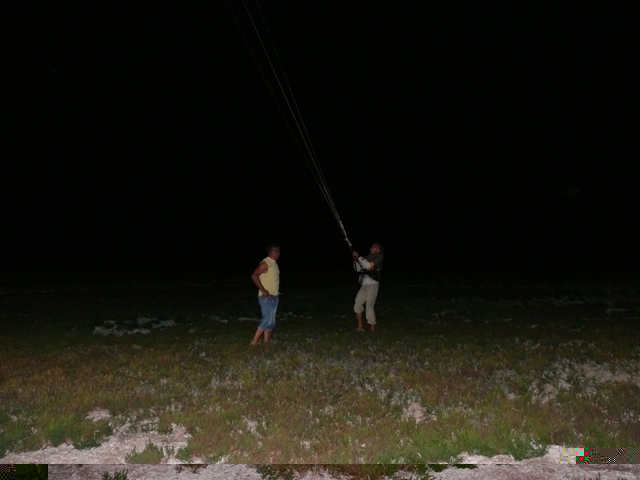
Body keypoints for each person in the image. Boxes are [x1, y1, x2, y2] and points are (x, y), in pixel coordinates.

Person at [250, 244, 281, 346]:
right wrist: (263, 290)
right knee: (267, 319)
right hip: (266, 297)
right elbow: (254, 276)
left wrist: (276, 291)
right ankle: (254, 341)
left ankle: (267, 342)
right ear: (273, 252)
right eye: (278, 252)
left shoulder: (274, 264)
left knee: (271, 322)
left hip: (274, 296)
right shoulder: (265, 263)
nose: (279, 254)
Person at [352, 242, 384, 332]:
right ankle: (360, 327)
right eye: (372, 246)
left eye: (375, 246)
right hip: (364, 285)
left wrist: (359, 257)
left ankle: (372, 327)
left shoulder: (379, 258)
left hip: (373, 284)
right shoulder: (366, 258)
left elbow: (369, 266)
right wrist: (356, 260)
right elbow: (358, 269)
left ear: (378, 250)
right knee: (357, 304)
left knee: (369, 305)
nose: (371, 247)